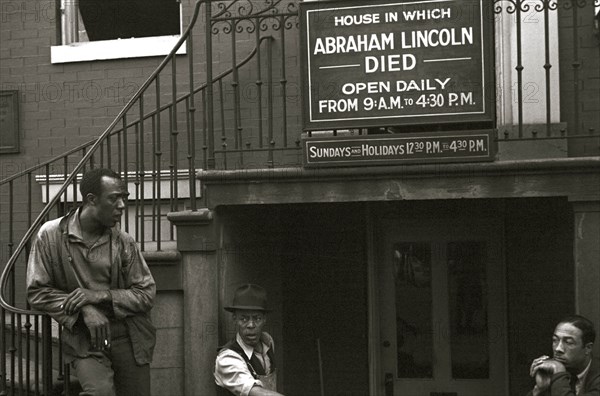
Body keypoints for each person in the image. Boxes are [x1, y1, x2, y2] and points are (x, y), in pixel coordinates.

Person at [27, 168, 156, 396]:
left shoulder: (123, 242)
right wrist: (84, 308)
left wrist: (99, 295)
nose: (122, 206)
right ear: (91, 200)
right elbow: (38, 291)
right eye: (114, 198)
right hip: (84, 338)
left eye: (123, 198)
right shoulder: (51, 235)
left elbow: (146, 293)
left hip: (128, 336)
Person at [214, 284, 284, 396]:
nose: (251, 325)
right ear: (235, 319)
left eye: (257, 318)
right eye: (244, 318)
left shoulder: (268, 341)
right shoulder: (227, 359)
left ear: (264, 319)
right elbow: (254, 391)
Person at [527, 315, 600, 396]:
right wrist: (540, 390)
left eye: (568, 342)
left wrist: (558, 372)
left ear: (588, 348)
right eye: (555, 340)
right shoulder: (555, 374)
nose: (558, 348)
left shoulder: (558, 373)